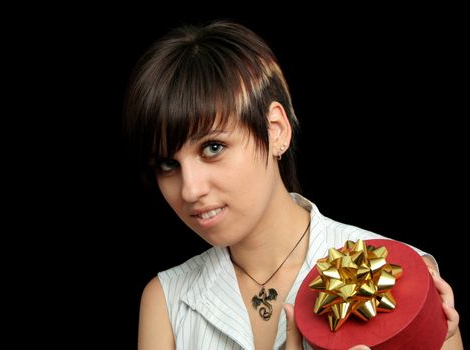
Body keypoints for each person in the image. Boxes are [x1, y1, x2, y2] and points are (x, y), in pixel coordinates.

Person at [123, 20, 463, 350]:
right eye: (168, 164)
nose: (190, 190)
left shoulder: (400, 275)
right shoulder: (167, 300)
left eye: (213, 148)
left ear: (275, 130)